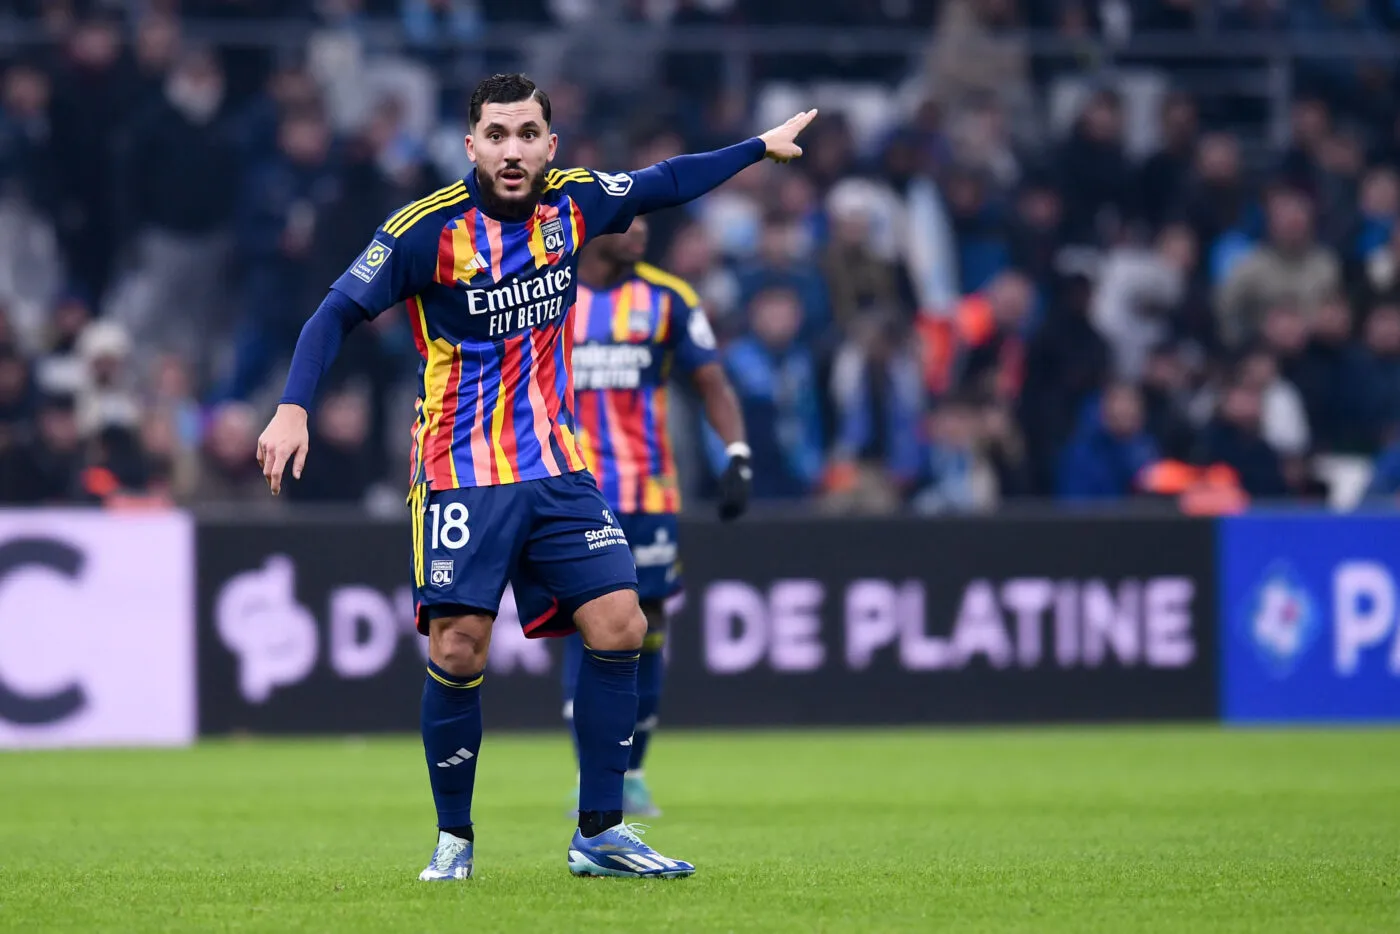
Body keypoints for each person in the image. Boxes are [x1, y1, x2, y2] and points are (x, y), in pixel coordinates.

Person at [256, 73, 813, 882]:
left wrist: (759, 147)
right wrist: (292, 409)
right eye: (496, 134)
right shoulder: (424, 230)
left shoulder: (575, 202)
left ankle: (600, 832)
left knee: (621, 621)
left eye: (526, 135)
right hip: (460, 470)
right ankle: (454, 840)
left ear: (550, 145)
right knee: (459, 647)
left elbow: (666, 181)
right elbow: (332, 312)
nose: (511, 150)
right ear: (471, 145)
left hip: (556, 464)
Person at [558, 215, 750, 817]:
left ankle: (633, 772)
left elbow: (711, 381)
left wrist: (737, 453)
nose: (640, 233)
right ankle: (593, 773)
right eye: (627, 222)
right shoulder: (549, 292)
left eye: (646, 224)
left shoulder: (669, 298)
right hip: (573, 490)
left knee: (647, 624)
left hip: (649, 491)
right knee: (584, 622)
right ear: (593, 226)